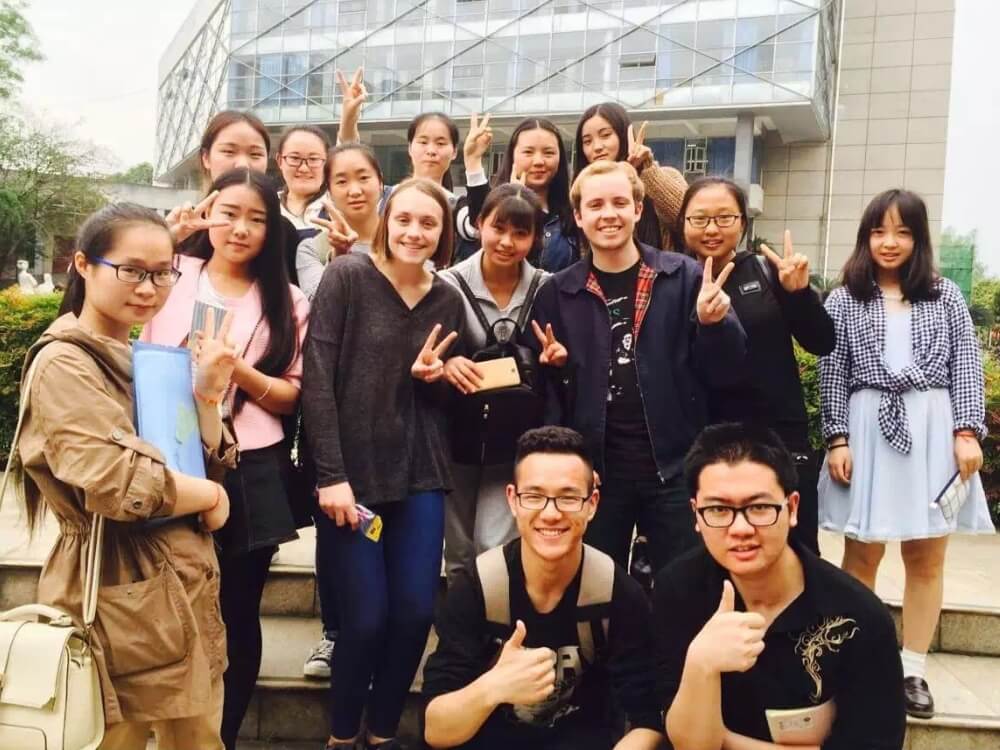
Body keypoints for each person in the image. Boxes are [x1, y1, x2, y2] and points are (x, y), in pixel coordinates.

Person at [13, 203, 238, 749]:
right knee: (112, 735)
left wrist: (208, 396)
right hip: (114, 583)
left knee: (199, 737)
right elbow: (117, 481)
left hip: (184, 583)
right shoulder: (63, 362)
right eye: (131, 270)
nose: (148, 287)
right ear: (83, 265)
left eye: (162, 273)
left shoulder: (148, 357)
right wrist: (209, 495)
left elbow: (194, 456)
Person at [142, 168, 310, 750]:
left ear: (272, 229)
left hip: (250, 463)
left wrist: (237, 369)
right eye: (229, 213)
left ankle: (223, 736)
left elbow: (292, 394)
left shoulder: (288, 299)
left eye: (256, 219)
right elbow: (101, 302)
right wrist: (164, 237)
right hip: (167, 453)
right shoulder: (170, 272)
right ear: (208, 214)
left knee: (237, 608)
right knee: (167, 604)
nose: (240, 228)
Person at [302, 178, 466, 749]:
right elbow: (317, 379)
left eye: (428, 223)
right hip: (353, 478)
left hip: (421, 473)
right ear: (385, 221)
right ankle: (342, 734)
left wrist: (432, 379)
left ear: (443, 233)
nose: (415, 232)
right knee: (366, 617)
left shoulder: (447, 298)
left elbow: (444, 402)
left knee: (415, 613)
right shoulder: (348, 277)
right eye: (404, 220)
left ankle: (382, 732)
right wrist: (330, 476)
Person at [818, 188, 994, 719]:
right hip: (866, 430)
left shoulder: (945, 295)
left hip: (932, 429)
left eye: (902, 232)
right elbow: (833, 370)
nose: (889, 242)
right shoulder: (844, 298)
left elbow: (966, 365)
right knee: (861, 556)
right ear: (865, 237)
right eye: (879, 231)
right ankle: (856, 665)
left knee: (926, 555)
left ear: (918, 238)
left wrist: (967, 432)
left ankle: (913, 668)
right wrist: (837, 438)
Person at [530, 160, 746, 574]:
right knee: (594, 583)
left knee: (685, 581)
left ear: (638, 208)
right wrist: (552, 370)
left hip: (674, 466)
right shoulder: (558, 292)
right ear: (579, 216)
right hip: (596, 472)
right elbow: (547, 396)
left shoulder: (682, 276)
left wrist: (714, 325)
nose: (608, 214)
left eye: (619, 202)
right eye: (595, 205)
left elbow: (726, 370)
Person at [654, 423, 907, 750]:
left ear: (793, 508)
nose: (740, 528)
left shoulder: (857, 616)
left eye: (759, 507)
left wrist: (726, 740)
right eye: (718, 509)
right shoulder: (679, 590)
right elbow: (691, 745)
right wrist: (701, 663)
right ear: (696, 516)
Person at [423, 426, 665, 750]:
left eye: (568, 497)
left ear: (592, 503)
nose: (551, 514)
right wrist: (493, 687)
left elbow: (646, 721)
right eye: (534, 496)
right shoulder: (477, 587)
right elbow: (436, 730)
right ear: (513, 500)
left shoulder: (617, 593)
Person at [677, 176, 835, 554]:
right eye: (699, 219)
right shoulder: (676, 281)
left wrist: (799, 294)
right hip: (710, 442)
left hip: (779, 437)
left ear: (743, 223)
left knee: (795, 550)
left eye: (724, 217)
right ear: (682, 224)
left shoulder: (768, 272)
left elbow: (822, 342)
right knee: (719, 552)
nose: (712, 229)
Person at [439, 183, 551, 583]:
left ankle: (494, 619)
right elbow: (426, 351)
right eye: (498, 228)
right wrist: (447, 363)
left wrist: (555, 361)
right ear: (478, 223)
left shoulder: (546, 287)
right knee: (457, 550)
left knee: (494, 545)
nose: (507, 242)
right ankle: (461, 619)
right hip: (457, 434)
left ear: (535, 238)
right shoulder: (447, 284)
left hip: (513, 438)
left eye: (520, 233)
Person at [334, 67, 477, 250]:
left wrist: (474, 162)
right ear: (410, 148)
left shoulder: (456, 207)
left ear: (454, 151)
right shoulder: (384, 197)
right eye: (423, 142)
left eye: (441, 143)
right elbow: (348, 162)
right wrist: (348, 120)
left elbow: (476, 229)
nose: (431, 151)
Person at [165, 109, 304, 284]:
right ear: (206, 158)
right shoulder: (184, 228)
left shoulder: (283, 232)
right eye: (229, 152)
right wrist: (165, 240)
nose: (243, 164)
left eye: (255, 154)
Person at [465, 118, 579, 273]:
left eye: (548, 153)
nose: (538, 161)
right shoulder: (493, 206)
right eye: (528, 152)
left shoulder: (574, 212)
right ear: (512, 155)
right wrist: (515, 201)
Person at [574, 102, 687, 250]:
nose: (597, 147)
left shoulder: (664, 175)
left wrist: (646, 169)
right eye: (587, 141)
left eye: (606, 135)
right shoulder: (581, 191)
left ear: (622, 135)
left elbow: (687, 219)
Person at [296, 142, 384, 300]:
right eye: (342, 182)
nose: (355, 191)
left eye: (364, 178)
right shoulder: (313, 249)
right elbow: (318, 303)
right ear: (329, 192)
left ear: (380, 183)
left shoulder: (407, 239)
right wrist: (339, 257)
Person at [274, 124, 332, 239]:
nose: (304, 168)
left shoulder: (338, 206)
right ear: (280, 161)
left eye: (313, 159)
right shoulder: (265, 206)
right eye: (294, 158)